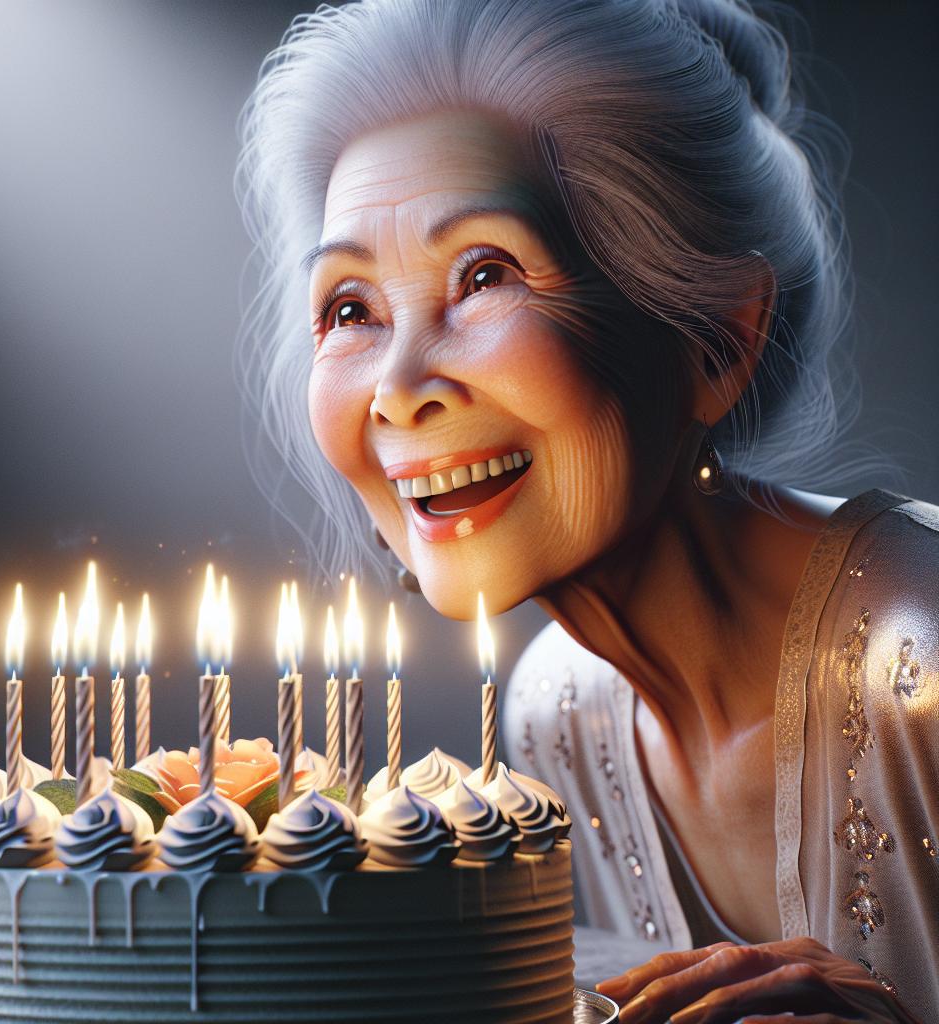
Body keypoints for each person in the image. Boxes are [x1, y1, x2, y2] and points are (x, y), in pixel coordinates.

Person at [234, 1, 937, 1019]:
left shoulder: (917, 662)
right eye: (351, 309)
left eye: (485, 275)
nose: (396, 385)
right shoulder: (557, 708)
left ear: (717, 342)